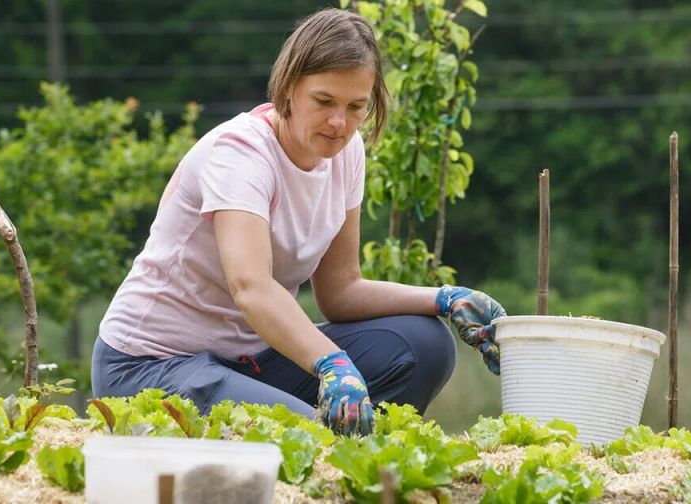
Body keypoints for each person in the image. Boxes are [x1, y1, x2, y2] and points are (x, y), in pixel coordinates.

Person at [91, 7, 505, 437]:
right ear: (289, 88)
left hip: (250, 359)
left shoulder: (346, 153)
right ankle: (337, 450)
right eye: (324, 101)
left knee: (425, 344)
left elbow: (341, 291)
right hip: (152, 365)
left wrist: (445, 298)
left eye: (356, 106)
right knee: (308, 436)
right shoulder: (241, 153)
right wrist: (331, 363)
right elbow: (250, 287)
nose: (339, 123)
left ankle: (365, 459)